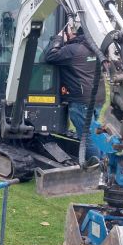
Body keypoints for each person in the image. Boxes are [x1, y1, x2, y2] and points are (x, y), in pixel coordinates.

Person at [44, 25, 106, 161]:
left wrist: (58, 38)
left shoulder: (73, 49)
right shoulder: (96, 50)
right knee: (95, 132)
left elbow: (50, 56)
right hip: (98, 98)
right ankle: (104, 161)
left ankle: (99, 168)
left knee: (86, 137)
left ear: (73, 33)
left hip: (81, 100)